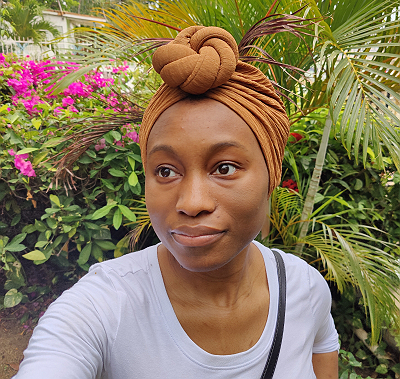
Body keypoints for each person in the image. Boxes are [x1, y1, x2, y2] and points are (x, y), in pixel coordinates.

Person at [15, 26, 339, 379]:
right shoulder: (102, 307)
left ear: (271, 176)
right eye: (166, 171)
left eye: (225, 168)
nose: (192, 203)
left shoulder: (305, 290)